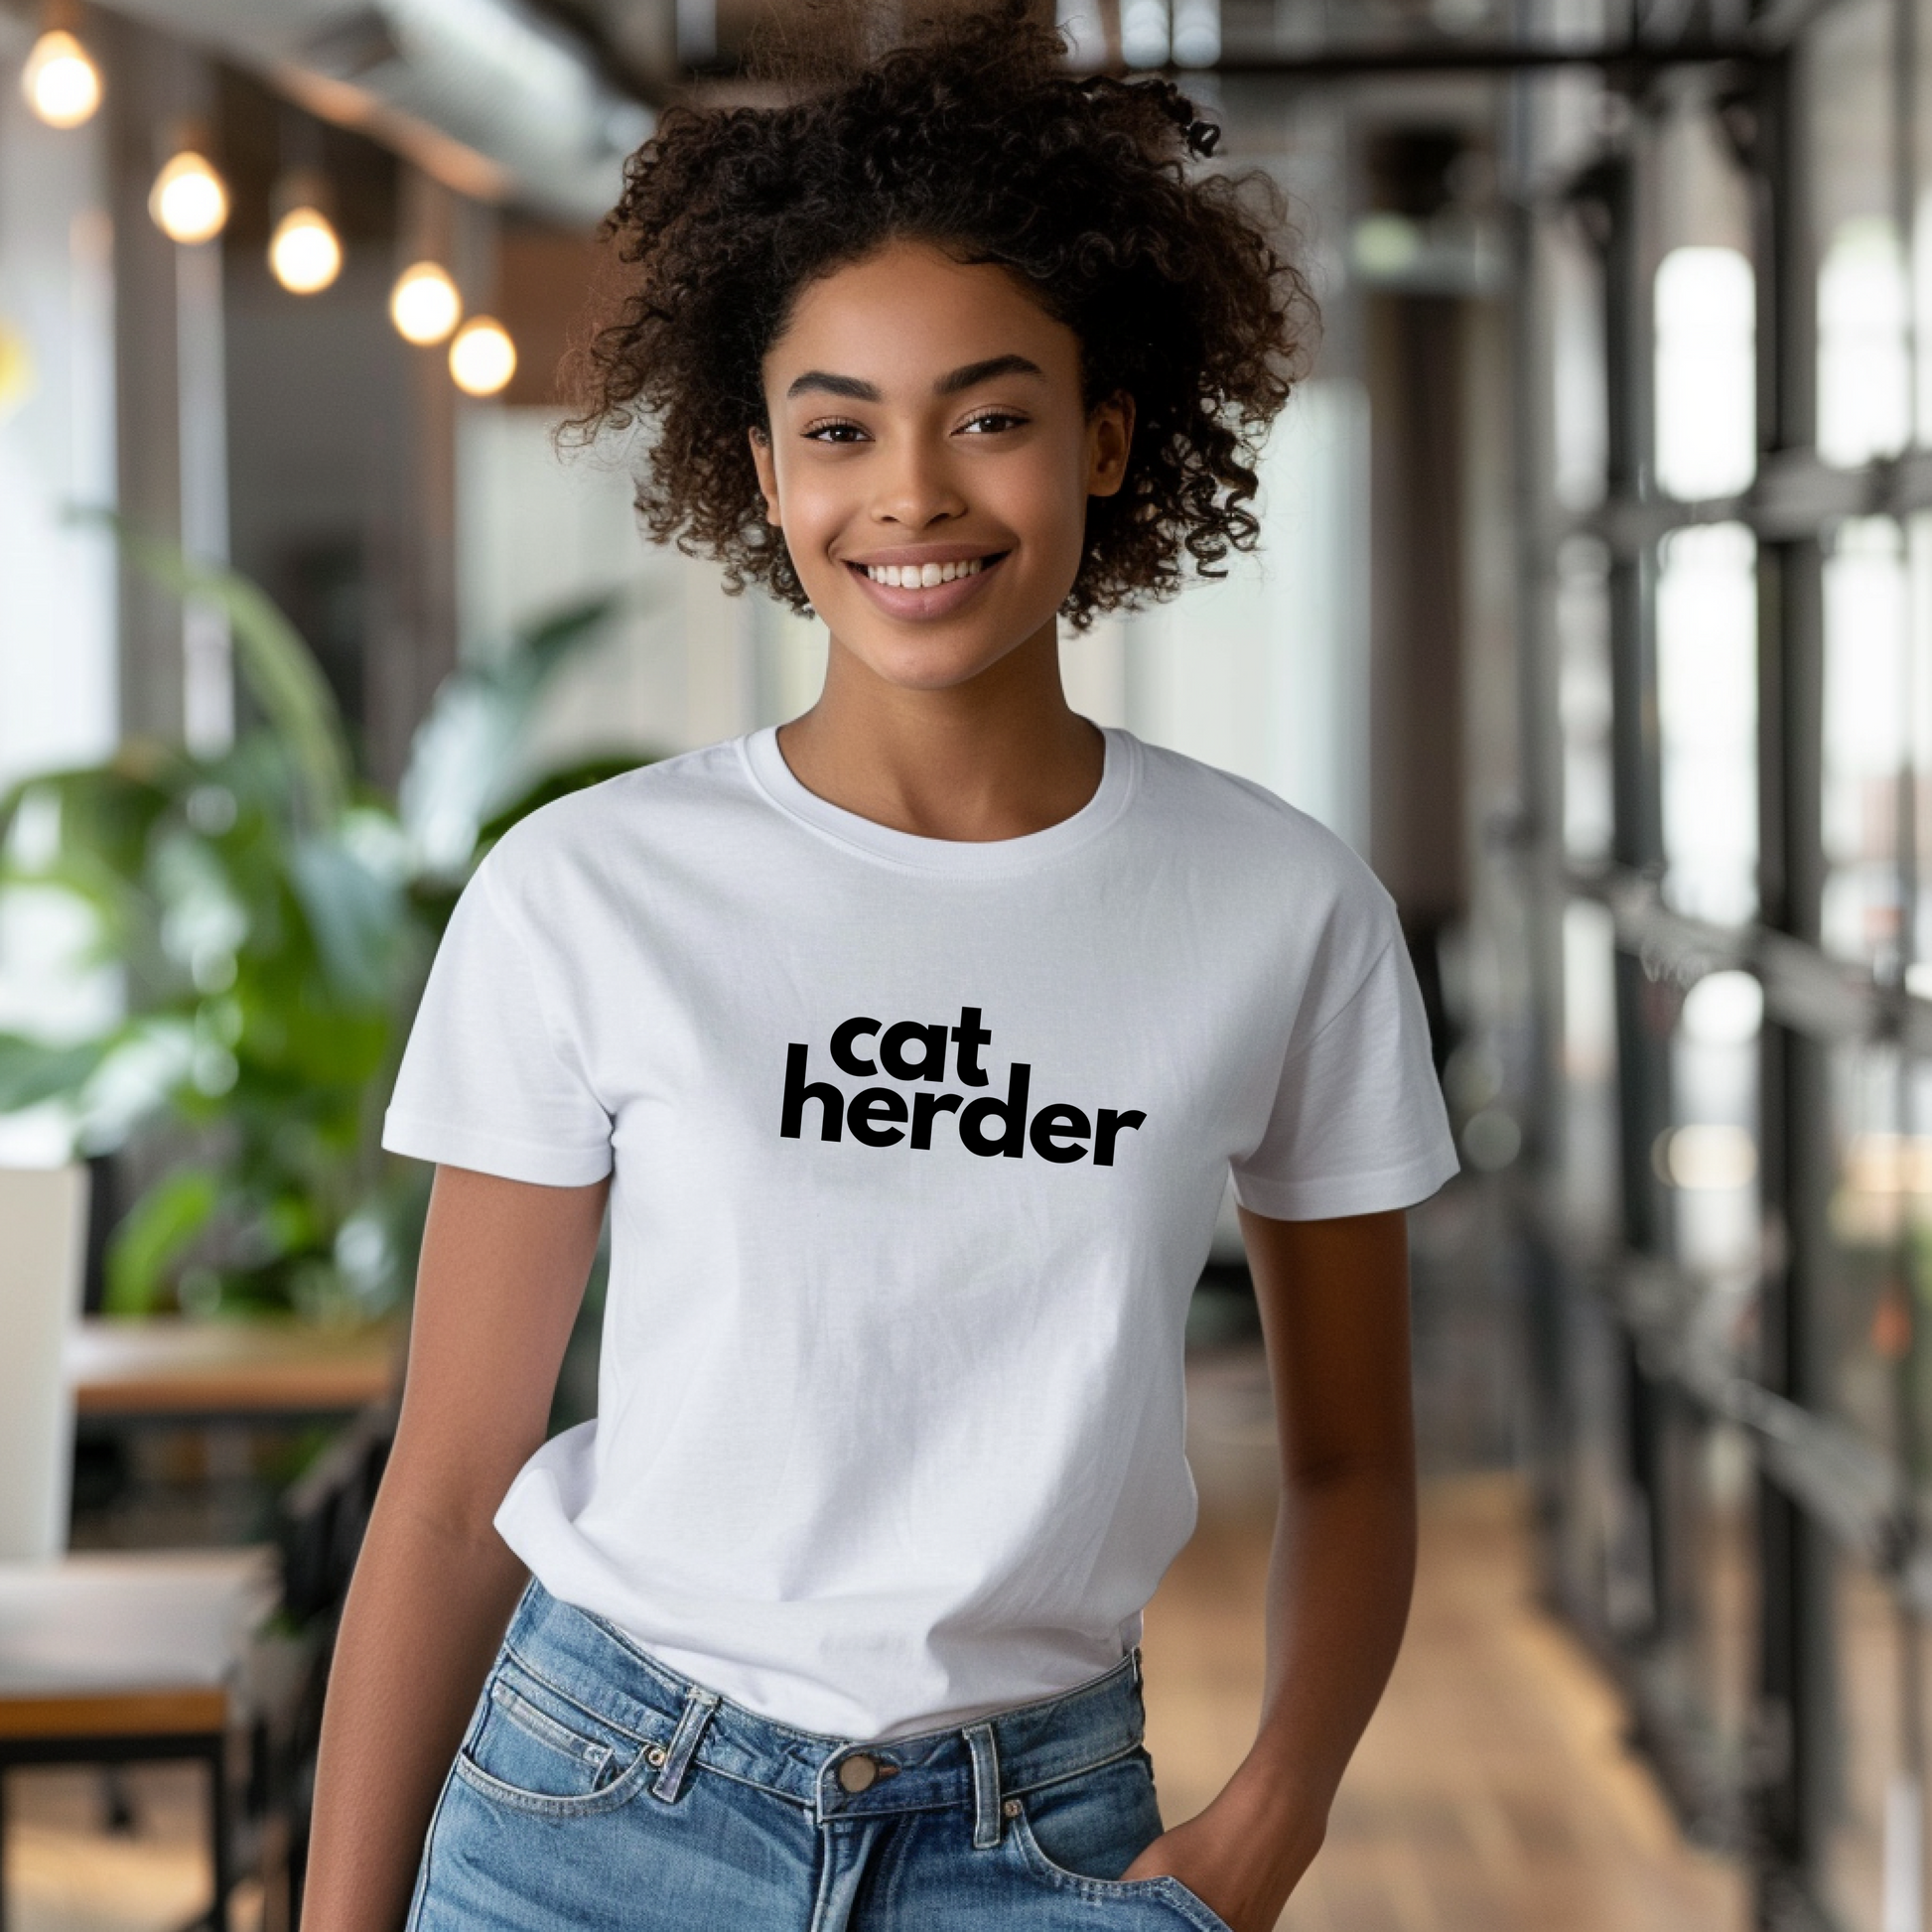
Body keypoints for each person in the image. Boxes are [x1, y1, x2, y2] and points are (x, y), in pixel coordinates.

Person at [302, 8, 1457, 1928]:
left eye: (988, 415)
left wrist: (1274, 1819)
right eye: (838, 427)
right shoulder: (588, 887)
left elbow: (1352, 1460)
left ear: (1105, 438)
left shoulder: (1279, 907)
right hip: (596, 1810)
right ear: (760, 471)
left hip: (1045, 1835)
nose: (908, 492)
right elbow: (446, 1482)